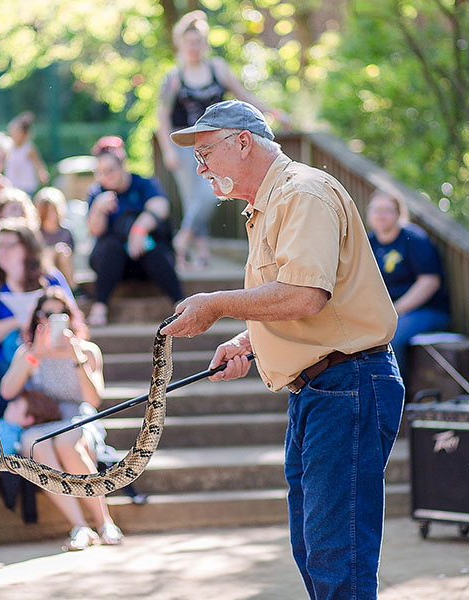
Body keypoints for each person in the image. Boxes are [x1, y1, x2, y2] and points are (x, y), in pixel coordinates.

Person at [162, 99, 404, 600]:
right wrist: (250, 339)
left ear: (243, 142)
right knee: (314, 550)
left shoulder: (303, 193)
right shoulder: (271, 203)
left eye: (206, 152)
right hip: (320, 390)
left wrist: (215, 304)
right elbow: (301, 295)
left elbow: (306, 295)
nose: (199, 166)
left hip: (348, 386)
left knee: (338, 557)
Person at [156, 11, 290, 268]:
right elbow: (162, 117)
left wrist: (273, 113)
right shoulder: (173, 77)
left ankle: (182, 242)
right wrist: (167, 151)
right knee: (193, 197)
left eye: (197, 42)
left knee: (208, 195)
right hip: (185, 143)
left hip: (218, 142)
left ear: (204, 43)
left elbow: (243, 96)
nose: (193, 48)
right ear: (180, 45)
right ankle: (199, 251)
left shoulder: (218, 69)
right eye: (188, 43)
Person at [0, 288, 124, 551]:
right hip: (44, 420)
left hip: (79, 418)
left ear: (71, 317)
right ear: (38, 318)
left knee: (68, 442)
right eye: (48, 313)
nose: (55, 318)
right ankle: (79, 526)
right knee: (36, 443)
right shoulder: (29, 353)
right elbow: (7, 391)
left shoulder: (87, 351)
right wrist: (36, 353)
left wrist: (75, 356)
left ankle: (104, 522)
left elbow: (93, 399)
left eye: (61, 313)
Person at [0, 217, 76, 391]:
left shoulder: (50, 279)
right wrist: (20, 320)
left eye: (10, 245)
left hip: (45, 356)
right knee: (18, 377)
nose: (3, 251)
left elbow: (74, 321)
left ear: (28, 247)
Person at [85, 136, 183, 326]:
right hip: (114, 266)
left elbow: (161, 206)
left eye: (110, 170)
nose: (106, 177)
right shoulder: (97, 193)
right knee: (110, 247)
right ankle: (100, 305)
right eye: (100, 172)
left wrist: (138, 229)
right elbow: (95, 231)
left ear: (123, 166)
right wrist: (97, 209)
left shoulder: (143, 184)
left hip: (144, 260)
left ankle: (180, 303)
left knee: (154, 249)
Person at [367, 191, 450, 378]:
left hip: (426, 311)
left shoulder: (414, 239)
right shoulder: (368, 243)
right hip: (388, 313)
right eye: (376, 210)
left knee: (391, 337)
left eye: (387, 210)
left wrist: (396, 310)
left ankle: (400, 397)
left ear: (398, 214)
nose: (381, 215)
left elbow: (430, 281)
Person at [35, 187, 76, 290]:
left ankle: (72, 289)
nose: (51, 215)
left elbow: (72, 251)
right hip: (44, 266)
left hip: (63, 265)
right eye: (47, 211)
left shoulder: (66, 231)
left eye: (53, 210)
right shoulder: (36, 231)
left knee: (63, 252)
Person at [5, 112, 49, 195]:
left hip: (26, 189)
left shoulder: (28, 148)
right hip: (11, 187)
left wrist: (42, 176)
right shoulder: (8, 146)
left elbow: (38, 165)